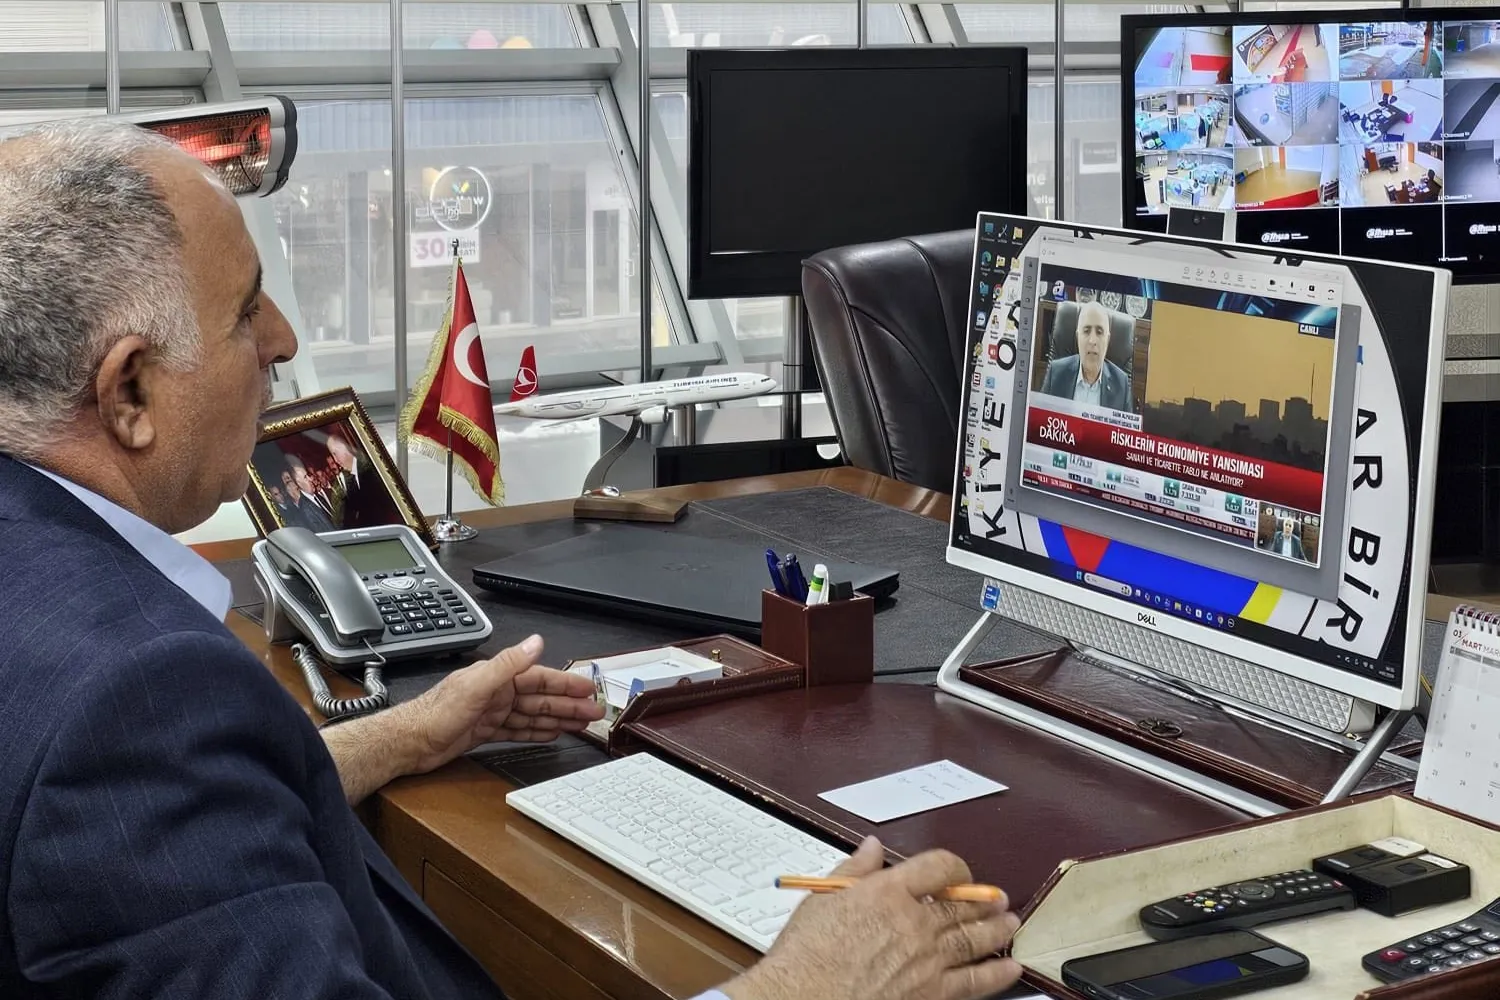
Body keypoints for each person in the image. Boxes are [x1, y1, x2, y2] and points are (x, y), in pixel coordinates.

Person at [0, 120, 1024, 999]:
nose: (284, 337)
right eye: (244, 310)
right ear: (129, 393)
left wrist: (402, 736)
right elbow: (132, 774)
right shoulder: (138, 699)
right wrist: (804, 986)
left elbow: (151, 833)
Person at [1039, 300, 1133, 411]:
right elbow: (1040, 419)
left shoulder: (1121, 385)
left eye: (1099, 332)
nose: (1092, 340)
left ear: (1107, 340)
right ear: (1078, 337)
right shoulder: (1056, 373)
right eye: (1086, 331)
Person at [327, 427, 400, 528]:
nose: (335, 460)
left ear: (343, 448)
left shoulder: (371, 466)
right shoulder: (350, 480)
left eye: (335, 454)